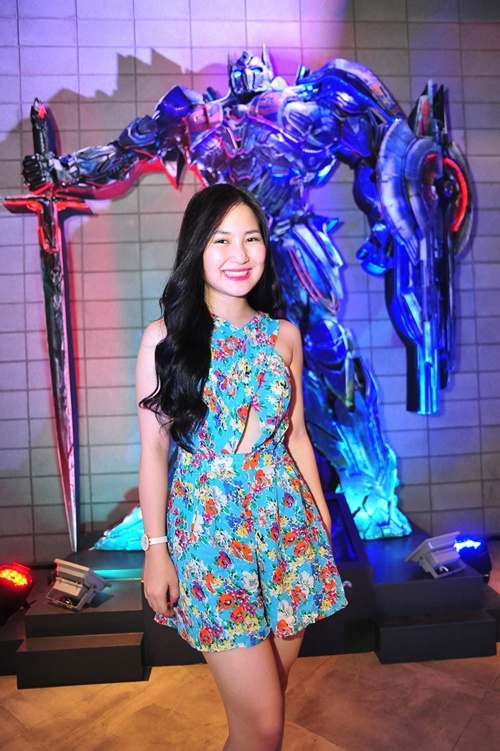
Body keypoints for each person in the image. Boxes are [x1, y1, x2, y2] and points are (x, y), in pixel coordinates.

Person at [136, 183, 347, 751]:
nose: (240, 254)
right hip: (210, 538)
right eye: (221, 239)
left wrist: (321, 521)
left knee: (262, 716)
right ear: (196, 249)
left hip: (288, 532)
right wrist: (156, 550)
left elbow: (296, 436)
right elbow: (154, 450)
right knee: (265, 723)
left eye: (251, 238)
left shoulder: (284, 336)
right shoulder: (165, 339)